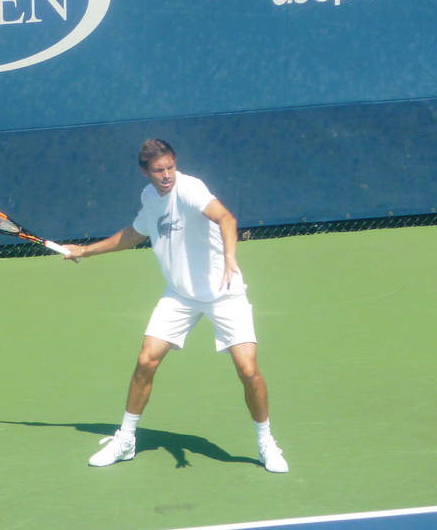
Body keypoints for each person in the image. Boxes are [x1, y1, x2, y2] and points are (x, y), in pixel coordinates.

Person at [63, 139, 289, 473]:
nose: (167, 175)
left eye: (170, 167)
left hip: (224, 292)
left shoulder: (191, 189)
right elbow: (135, 234)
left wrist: (229, 256)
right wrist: (85, 251)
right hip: (180, 295)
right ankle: (125, 440)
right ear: (145, 172)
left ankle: (266, 443)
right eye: (159, 170)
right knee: (146, 360)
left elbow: (226, 218)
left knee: (249, 371)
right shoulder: (149, 197)